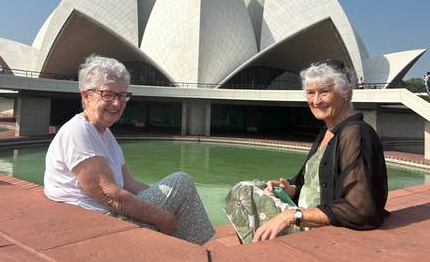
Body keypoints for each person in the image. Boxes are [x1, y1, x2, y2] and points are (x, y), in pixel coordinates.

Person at [44, 54, 214, 245]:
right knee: (182, 182)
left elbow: (129, 183)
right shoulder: (78, 131)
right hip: (101, 224)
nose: (117, 103)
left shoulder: (104, 134)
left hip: (109, 215)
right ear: (86, 96)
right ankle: (202, 249)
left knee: (178, 190)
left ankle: (196, 249)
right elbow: (111, 196)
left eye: (122, 95)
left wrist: (165, 202)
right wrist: (162, 217)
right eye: (107, 94)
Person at [226, 60, 388, 243]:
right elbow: (311, 181)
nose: (316, 101)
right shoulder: (328, 132)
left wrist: (291, 216)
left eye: (324, 92)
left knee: (241, 194)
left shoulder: (355, 134)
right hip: (303, 216)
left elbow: (360, 208)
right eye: (311, 93)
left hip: (317, 226)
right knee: (247, 189)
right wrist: (290, 188)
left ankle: (258, 250)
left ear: (346, 93)